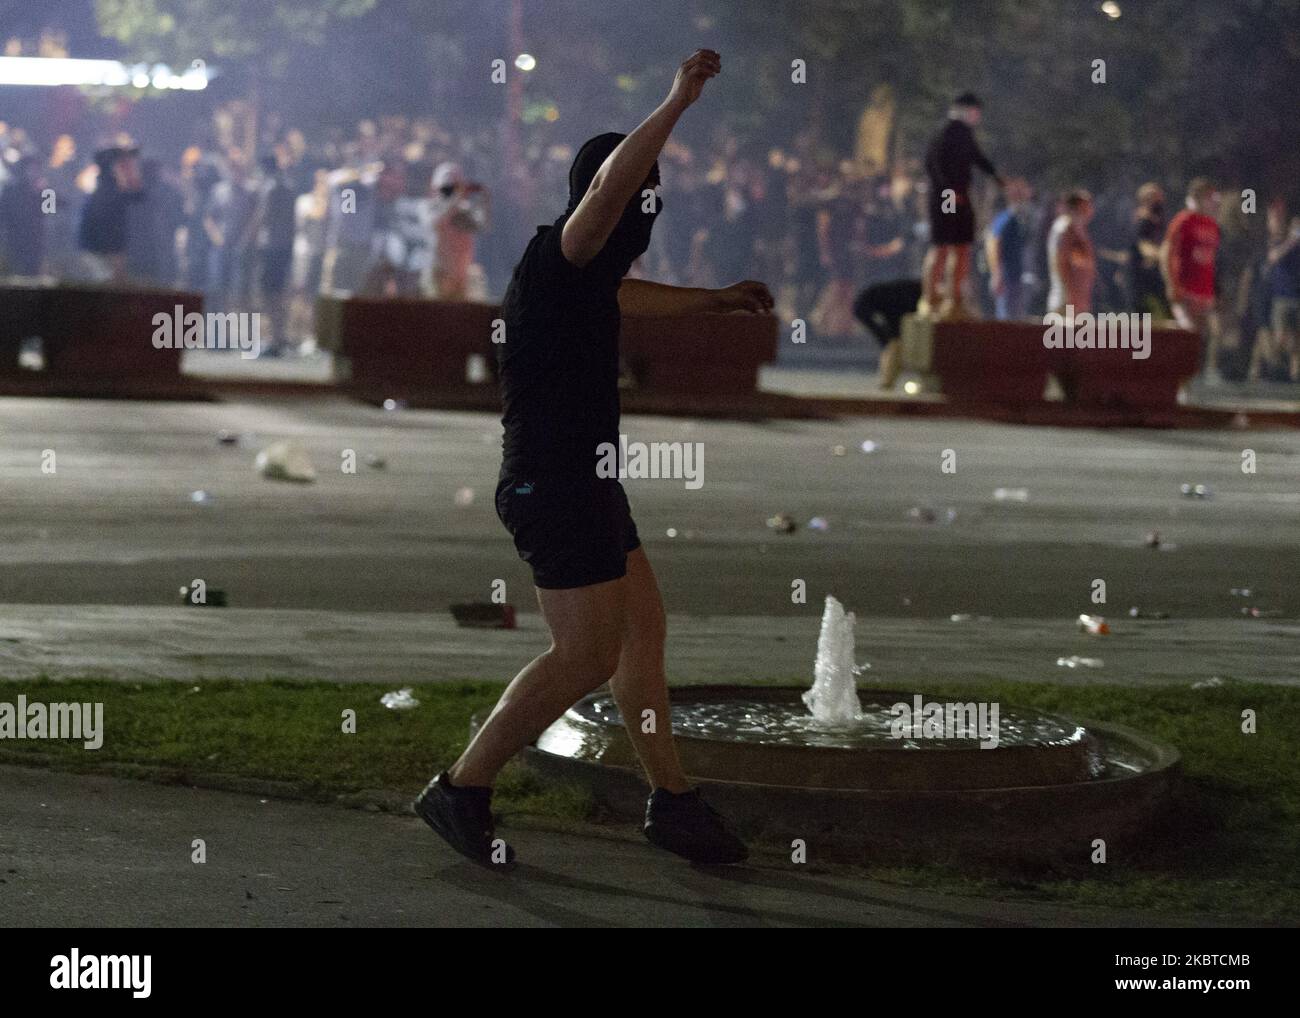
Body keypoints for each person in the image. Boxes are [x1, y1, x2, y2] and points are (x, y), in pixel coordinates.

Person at [414, 49, 772, 868]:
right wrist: (675, 103)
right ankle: (462, 787)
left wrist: (714, 298)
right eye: (641, 199)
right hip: (554, 485)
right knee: (584, 655)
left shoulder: (585, 277)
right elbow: (611, 191)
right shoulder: (563, 252)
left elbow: (629, 294)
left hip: (589, 483)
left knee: (643, 632)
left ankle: (672, 802)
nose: (641, 213)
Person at [922, 92, 1003, 319]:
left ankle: (953, 298)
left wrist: (997, 176)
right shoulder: (944, 133)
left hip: (961, 197)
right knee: (942, 246)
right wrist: (950, 193)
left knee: (962, 246)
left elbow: (977, 158)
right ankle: (930, 298)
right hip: (946, 198)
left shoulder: (966, 134)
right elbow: (935, 166)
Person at [1161, 177, 1222, 381]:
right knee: (1187, 336)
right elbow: (1166, 252)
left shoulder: (1212, 224)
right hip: (1185, 289)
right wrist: (1172, 284)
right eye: (1210, 197)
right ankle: (1176, 381)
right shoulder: (1184, 220)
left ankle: (1195, 381)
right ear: (1199, 197)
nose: (1214, 202)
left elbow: (1210, 261)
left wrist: (1213, 290)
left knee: (1202, 340)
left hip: (1204, 291)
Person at [77, 146, 144, 283]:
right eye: (124, 164)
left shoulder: (112, 191)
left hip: (104, 251)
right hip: (101, 254)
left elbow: (139, 195)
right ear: (113, 168)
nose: (130, 168)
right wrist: (114, 256)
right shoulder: (109, 194)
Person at [853, 278, 922, 389]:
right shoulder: (910, 295)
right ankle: (887, 380)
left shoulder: (907, 292)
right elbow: (897, 313)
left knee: (892, 344)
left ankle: (887, 379)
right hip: (869, 307)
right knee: (893, 344)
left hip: (873, 307)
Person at [985, 177, 1031, 319]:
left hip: (1016, 277)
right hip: (1006, 278)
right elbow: (993, 244)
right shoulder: (1005, 218)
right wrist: (997, 274)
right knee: (1006, 319)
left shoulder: (1020, 219)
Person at [1046, 190, 1096, 315]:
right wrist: (1071, 293)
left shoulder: (1075, 227)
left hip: (1077, 299)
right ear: (1079, 206)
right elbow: (1062, 260)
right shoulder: (1065, 228)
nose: (1091, 209)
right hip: (1066, 300)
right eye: (1087, 204)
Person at [1130, 182, 1168, 317]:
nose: (1159, 200)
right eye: (1154, 197)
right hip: (1141, 275)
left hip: (1156, 272)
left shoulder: (1159, 220)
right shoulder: (1142, 220)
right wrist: (1160, 255)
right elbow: (1143, 245)